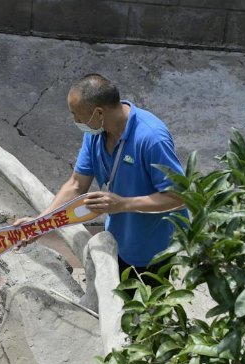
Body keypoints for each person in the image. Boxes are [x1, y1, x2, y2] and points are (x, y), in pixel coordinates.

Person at [18, 73, 186, 282]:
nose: (75, 121)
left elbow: (179, 198)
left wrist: (123, 204)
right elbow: (77, 185)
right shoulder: (95, 133)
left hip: (153, 248)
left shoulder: (152, 138)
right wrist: (40, 224)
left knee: (147, 307)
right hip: (119, 237)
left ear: (98, 112)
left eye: (76, 115)